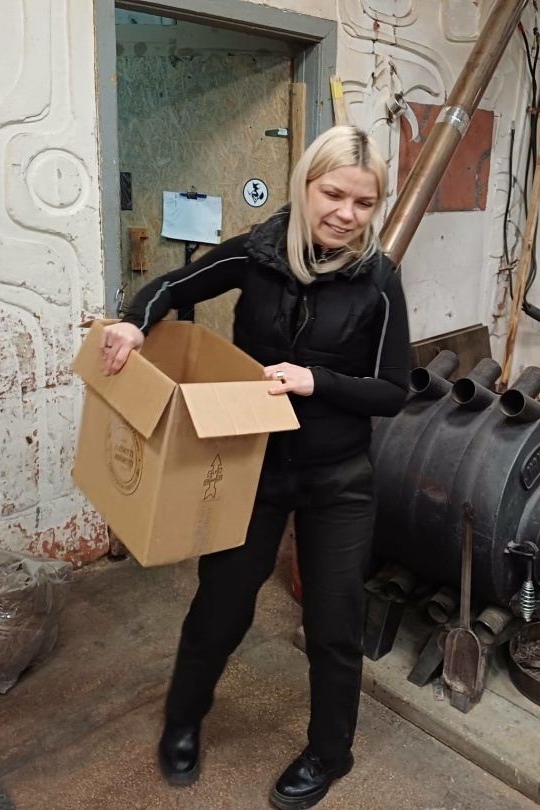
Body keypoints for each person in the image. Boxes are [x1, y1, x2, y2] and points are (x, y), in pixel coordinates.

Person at [100, 125, 411, 810]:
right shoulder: (258, 252)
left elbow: (394, 389)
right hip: (252, 467)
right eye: (333, 194)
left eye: (363, 203)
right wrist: (133, 323)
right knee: (222, 603)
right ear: (306, 184)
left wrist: (316, 381)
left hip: (339, 478)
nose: (346, 214)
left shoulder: (380, 280)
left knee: (333, 623)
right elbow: (174, 285)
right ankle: (183, 721)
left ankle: (330, 752)